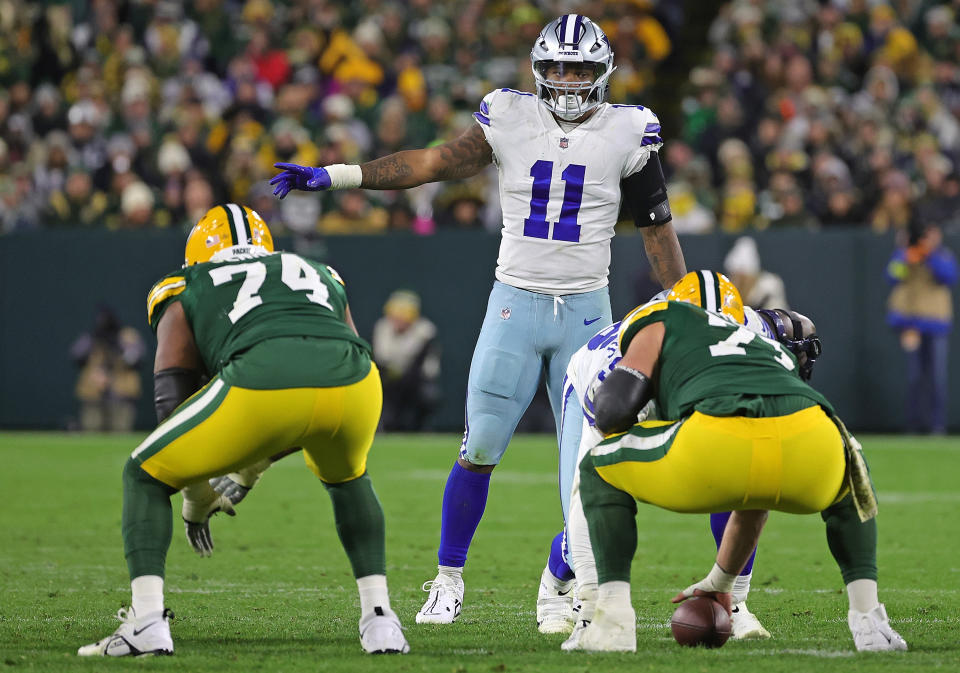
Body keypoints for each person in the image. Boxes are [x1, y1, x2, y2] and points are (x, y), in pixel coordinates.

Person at [270, 13, 687, 624]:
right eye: (559, 68)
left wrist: (690, 301)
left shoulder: (629, 131)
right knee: (482, 444)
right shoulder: (511, 117)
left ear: (603, 73)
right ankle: (447, 578)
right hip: (515, 304)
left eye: (581, 69)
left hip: (588, 316)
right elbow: (433, 163)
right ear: (539, 70)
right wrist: (337, 175)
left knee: (586, 470)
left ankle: (560, 579)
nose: (569, 81)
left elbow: (658, 231)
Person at [77, 203, 409, 657]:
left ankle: (147, 623)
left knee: (142, 472)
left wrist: (194, 497)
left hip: (264, 375)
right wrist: (252, 466)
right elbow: (337, 356)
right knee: (348, 478)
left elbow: (172, 398)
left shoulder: (186, 282)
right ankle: (381, 622)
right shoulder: (316, 268)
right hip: (356, 382)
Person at [566, 272, 907, 653]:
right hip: (813, 444)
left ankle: (611, 621)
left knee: (598, 465)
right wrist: (720, 583)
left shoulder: (663, 318)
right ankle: (870, 622)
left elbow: (611, 411)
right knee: (850, 471)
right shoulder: (759, 337)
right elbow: (756, 489)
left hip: (716, 444)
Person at [539, 272, 811, 639]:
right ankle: (560, 586)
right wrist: (594, 605)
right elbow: (592, 485)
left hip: (686, 392)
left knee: (738, 477)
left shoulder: (743, 328)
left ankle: (733, 600)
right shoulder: (616, 376)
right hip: (623, 394)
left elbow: (798, 330)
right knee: (594, 507)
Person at [886, 221, 957, 434]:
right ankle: (913, 425)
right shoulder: (905, 255)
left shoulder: (943, 255)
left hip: (936, 325)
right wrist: (904, 254)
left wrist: (929, 254)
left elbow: (949, 276)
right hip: (912, 324)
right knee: (914, 377)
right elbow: (891, 275)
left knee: (937, 378)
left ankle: (937, 426)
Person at [372, 289, 441, 431]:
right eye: (395, 314)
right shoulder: (382, 327)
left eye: (403, 314)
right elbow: (382, 358)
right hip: (389, 384)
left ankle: (420, 429)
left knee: (429, 395)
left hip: (415, 383)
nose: (399, 319)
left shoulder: (426, 332)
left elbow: (428, 369)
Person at [70, 306, 145, 432]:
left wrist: (120, 348)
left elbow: (137, 360)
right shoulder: (91, 338)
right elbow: (76, 356)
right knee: (91, 430)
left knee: (120, 431)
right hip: (94, 395)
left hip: (121, 395)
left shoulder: (127, 337)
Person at [723, 235, 789, 309]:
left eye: (742, 278)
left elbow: (777, 317)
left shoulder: (769, 286)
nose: (738, 282)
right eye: (734, 277)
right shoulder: (727, 289)